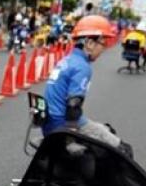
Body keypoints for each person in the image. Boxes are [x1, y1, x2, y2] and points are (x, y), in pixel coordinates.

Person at [42, 15, 130, 155]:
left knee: (105, 129)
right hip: (62, 124)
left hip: (50, 122)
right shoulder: (82, 67)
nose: (104, 49)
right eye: (103, 44)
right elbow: (73, 105)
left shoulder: (68, 59)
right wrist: (70, 140)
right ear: (89, 43)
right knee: (123, 149)